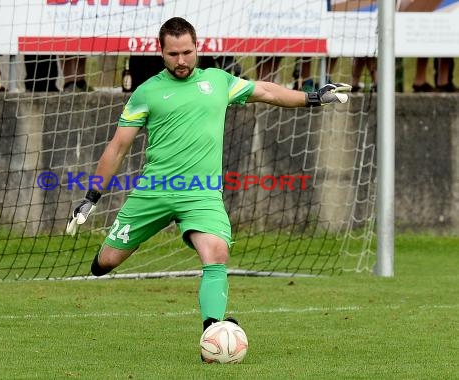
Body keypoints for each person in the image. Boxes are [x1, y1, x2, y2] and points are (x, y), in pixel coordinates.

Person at [65, 16, 350, 360]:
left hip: (201, 194)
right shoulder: (147, 92)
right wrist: (91, 197)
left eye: (187, 52)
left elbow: (266, 90)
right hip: (154, 192)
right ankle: (107, 257)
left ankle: (213, 332)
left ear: (198, 48)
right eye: (173, 54)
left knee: (216, 253)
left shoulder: (218, 81)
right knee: (106, 262)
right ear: (161, 52)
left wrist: (312, 98)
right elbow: (117, 147)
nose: (181, 60)